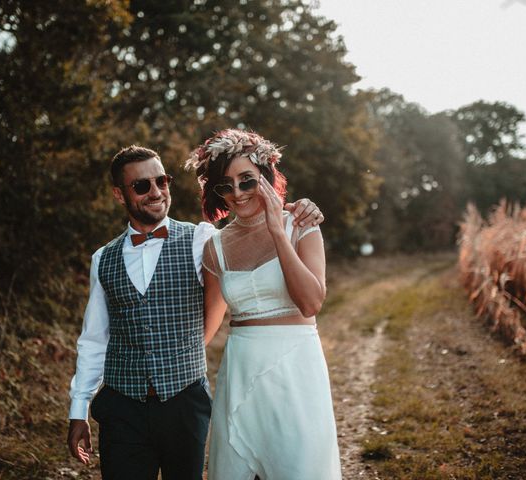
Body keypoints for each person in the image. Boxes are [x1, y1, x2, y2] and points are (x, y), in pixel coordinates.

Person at [66, 144, 324, 480]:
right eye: (142, 186)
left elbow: (250, 232)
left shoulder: (201, 239)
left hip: (184, 404)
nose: (156, 192)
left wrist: (301, 209)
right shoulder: (103, 258)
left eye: (162, 181)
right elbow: (94, 339)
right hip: (121, 408)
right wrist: (78, 410)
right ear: (120, 194)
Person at [185, 129, 341, 480]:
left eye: (247, 181)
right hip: (240, 370)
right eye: (226, 185)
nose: (238, 193)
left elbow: (311, 302)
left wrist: (276, 229)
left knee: (297, 466)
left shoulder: (300, 225)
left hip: (296, 369)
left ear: (267, 179)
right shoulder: (216, 247)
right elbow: (206, 329)